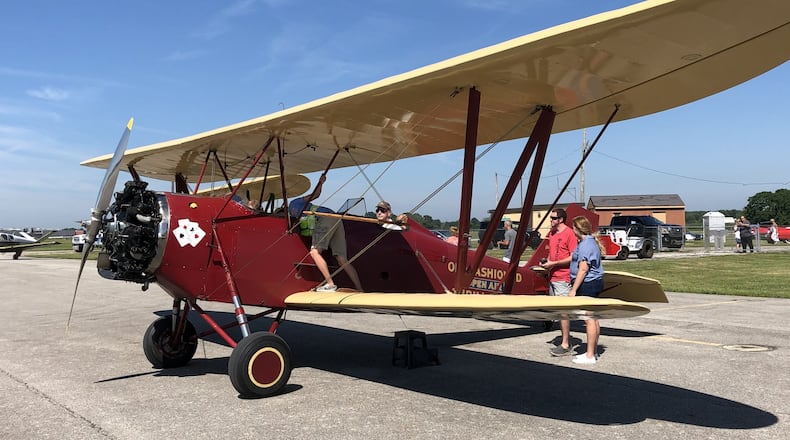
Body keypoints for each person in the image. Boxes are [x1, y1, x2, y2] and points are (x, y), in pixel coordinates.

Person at [289, 175, 363, 292]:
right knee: (341, 258)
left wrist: (320, 182)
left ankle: (330, 284)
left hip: (325, 218)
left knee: (314, 252)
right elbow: (316, 195)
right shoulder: (297, 202)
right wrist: (321, 182)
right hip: (335, 217)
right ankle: (360, 289)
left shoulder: (293, 204)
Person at [568, 215, 606, 365]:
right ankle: (593, 352)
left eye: (573, 227)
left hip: (587, 285)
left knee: (589, 319)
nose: (572, 230)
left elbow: (583, 269)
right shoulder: (589, 242)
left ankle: (590, 355)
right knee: (594, 319)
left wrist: (573, 290)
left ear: (578, 229)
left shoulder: (585, 245)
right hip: (594, 283)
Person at [540, 209, 578, 356]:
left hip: (563, 277)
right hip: (552, 277)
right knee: (557, 311)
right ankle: (564, 341)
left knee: (563, 313)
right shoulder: (552, 234)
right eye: (550, 218)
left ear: (561, 219)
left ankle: (565, 344)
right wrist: (546, 263)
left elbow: (573, 257)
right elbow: (552, 254)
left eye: (553, 218)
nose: (551, 220)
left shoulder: (569, 234)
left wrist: (554, 263)